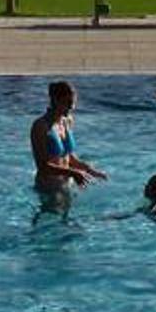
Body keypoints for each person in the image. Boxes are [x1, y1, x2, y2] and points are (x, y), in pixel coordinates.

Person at [31, 80, 106, 219]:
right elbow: (42, 166)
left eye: (73, 103)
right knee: (48, 223)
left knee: (66, 222)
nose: (71, 107)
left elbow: (69, 157)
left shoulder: (67, 121)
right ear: (55, 100)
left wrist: (90, 170)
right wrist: (74, 173)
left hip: (66, 185)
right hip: (49, 188)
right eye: (68, 103)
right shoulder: (40, 126)